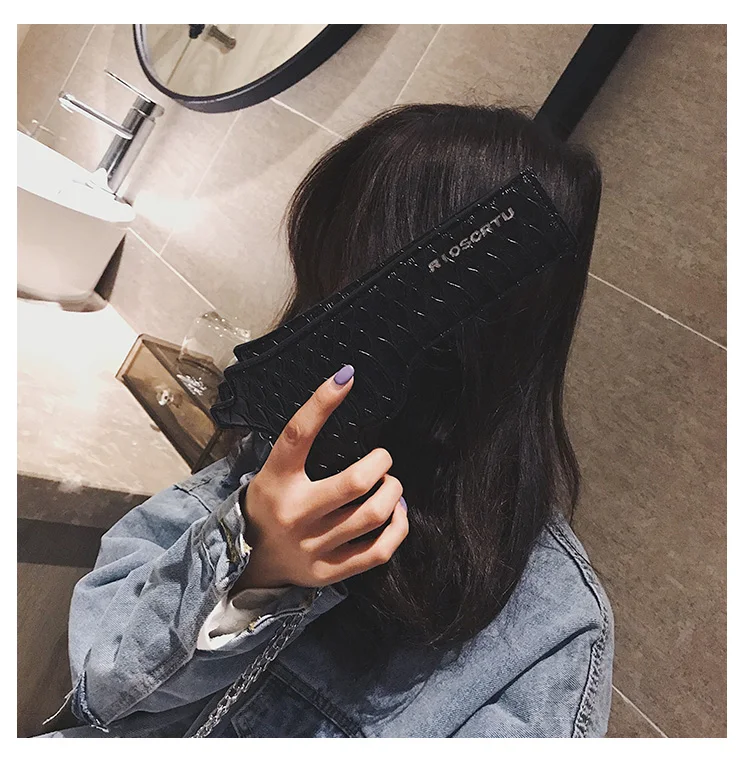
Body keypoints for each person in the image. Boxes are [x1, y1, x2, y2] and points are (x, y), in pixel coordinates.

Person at [40, 103, 614, 738]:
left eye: (332, 288)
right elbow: (98, 688)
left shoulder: (550, 633)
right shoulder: (266, 470)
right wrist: (254, 565)